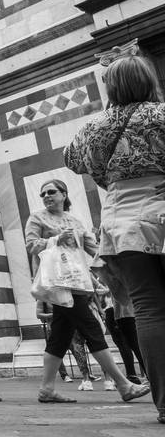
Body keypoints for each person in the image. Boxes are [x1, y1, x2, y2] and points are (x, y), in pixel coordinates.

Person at [65, 52, 165, 422]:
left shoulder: (95, 127)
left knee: (149, 310)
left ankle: (164, 403)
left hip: (123, 223)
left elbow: (71, 159)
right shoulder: (162, 115)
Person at [25, 178, 149, 403]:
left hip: (78, 284)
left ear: (64, 194)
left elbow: (94, 249)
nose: (46, 197)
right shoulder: (37, 218)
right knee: (92, 328)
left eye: (51, 192)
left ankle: (46, 389)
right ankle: (124, 385)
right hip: (59, 285)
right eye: (42, 194)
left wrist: (119, 266)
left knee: (60, 337)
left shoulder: (74, 221)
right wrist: (55, 240)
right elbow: (31, 244)